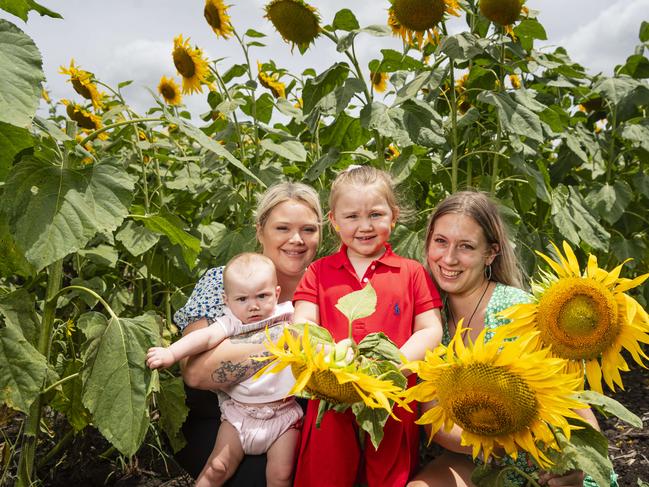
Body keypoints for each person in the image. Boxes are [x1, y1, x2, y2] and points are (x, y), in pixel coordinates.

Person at [408, 190, 617, 487]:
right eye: (440, 241)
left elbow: (572, 400)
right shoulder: (427, 317)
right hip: (478, 456)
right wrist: (497, 444)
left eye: (466, 246)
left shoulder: (517, 309)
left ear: (491, 253)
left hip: (544, 460)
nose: (449, 258)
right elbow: (436, 423)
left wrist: (576, 464)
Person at [292, 165, 444, 487]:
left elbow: (430, 329)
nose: (365, 226)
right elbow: (301, 323)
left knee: (388, 475)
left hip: (392, 395)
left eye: (375, 214)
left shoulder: (412, 271)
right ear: (333, 221)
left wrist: (394, 366)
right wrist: (329, 357)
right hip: (332, 394)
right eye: (351, 217)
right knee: (324, 474)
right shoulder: (319, 272)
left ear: (394, 215)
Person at [172, 182, 322, 485]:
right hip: (221, 422)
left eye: (308, 229)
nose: (296, 239)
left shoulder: (325, 287)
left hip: (292, 423)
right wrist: (288, 336)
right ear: (260, 230)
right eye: (282, 228)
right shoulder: (222, 281)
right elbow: (197, 372)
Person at [148, 253, 302, 486]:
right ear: (226, 300)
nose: (253, 306)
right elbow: (204, 338)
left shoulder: (287, 315)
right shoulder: (231, 322)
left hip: (283, 416)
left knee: (281, 474)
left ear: (277, 294)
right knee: (218, 467)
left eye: (263, 296)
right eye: (242, 299)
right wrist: (171, 353)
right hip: (238, 415)